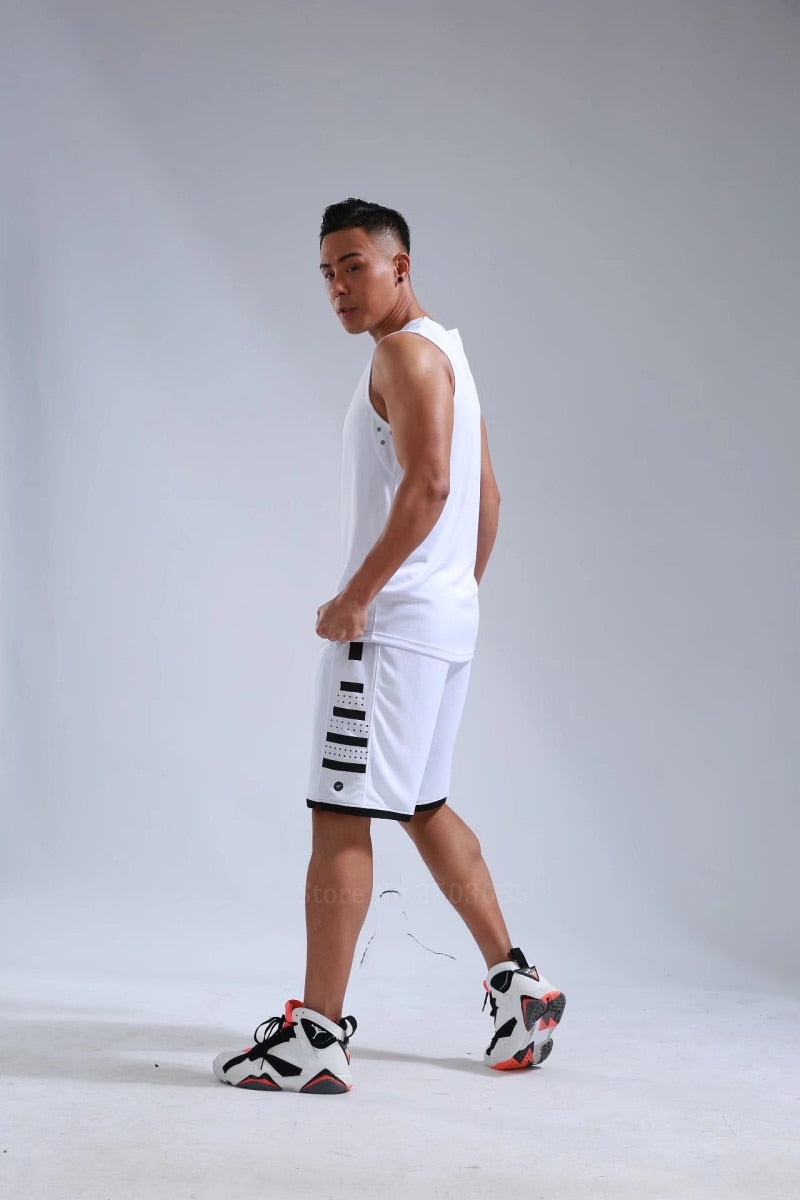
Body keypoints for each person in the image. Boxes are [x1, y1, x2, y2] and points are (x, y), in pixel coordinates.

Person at [213, 198, 565, 1094]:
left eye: (354, 266)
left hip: (391, 633)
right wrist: (452, 593)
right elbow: (488, 499)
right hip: (441, 627)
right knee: (424, 805)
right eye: (326, 273)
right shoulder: (448, 352)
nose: (337, 287)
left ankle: (315, 1038)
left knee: (340, 815)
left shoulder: (402, 355)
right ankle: (519, 988)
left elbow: (434, 484)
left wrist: (360, 598)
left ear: (399, 266)